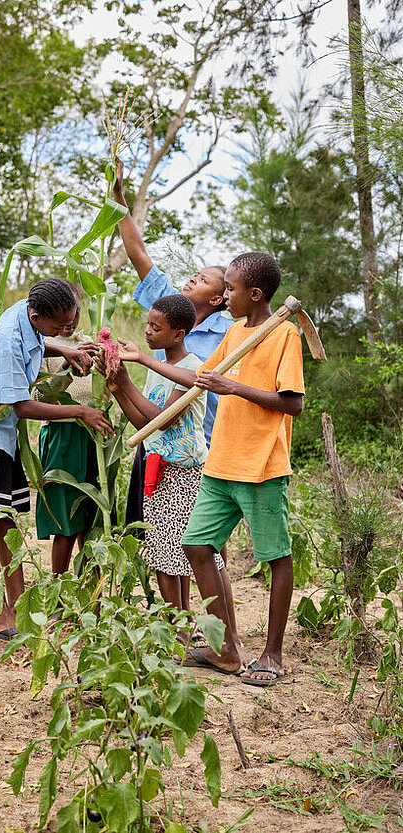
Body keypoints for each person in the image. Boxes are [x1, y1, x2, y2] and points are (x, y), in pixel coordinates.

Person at [142, 252, 304, 682]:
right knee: (196, 547)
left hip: (261, 464)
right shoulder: (234, 332)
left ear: (255, 294)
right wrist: (142, 362)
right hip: (221, 462)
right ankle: (228, 649)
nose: (224, 296)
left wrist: (233, 386)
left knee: (275, 556)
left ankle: (271, 654)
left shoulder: (284, 333)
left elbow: (294, 403)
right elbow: (199, 378)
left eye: (230, 289)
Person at [0, 278, 113, 640]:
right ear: (36, 314)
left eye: (71, 324)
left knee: (6, 519)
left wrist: (64, 349)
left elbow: (39, 341)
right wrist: (79, 411)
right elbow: (22, 405)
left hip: (1, 430)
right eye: (60, 327)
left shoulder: (30, 315)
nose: (66, 330)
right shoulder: (11, 338)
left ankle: (19, 605)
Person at [112, 159, 233, 573]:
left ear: (218, 299)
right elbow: (138, 253)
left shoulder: (225, 336)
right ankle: (176, 621)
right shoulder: (167, 307)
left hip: (199, 449)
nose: (189, 281)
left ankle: (214, 627)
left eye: (201, 280)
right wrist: (120, 203)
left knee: (199, 548)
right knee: (161, 542)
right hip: (155, 439)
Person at [99, 294, 235, 625]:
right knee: (166, 555)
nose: (147, 332)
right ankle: (182, 625)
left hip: (185, 476)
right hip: (158, 472)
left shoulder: (189, 368)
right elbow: (146, 426)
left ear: (178, 334)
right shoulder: (160, 366)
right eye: (147, 324)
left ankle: (185, 627)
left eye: (155, 327)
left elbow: (164, 418)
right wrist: (118, 389)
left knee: (179, 557)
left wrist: (128, 380)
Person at [34, 297, 99, 573]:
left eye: (73, 317)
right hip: (62, 434)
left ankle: (91, 596)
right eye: (62, 319)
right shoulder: (42, 346)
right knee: (65, 520)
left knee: (92, 517)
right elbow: (38, 396)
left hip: (93, 434)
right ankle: (59, 598)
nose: (68, 324)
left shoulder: (90, 342)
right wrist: (65, 365)